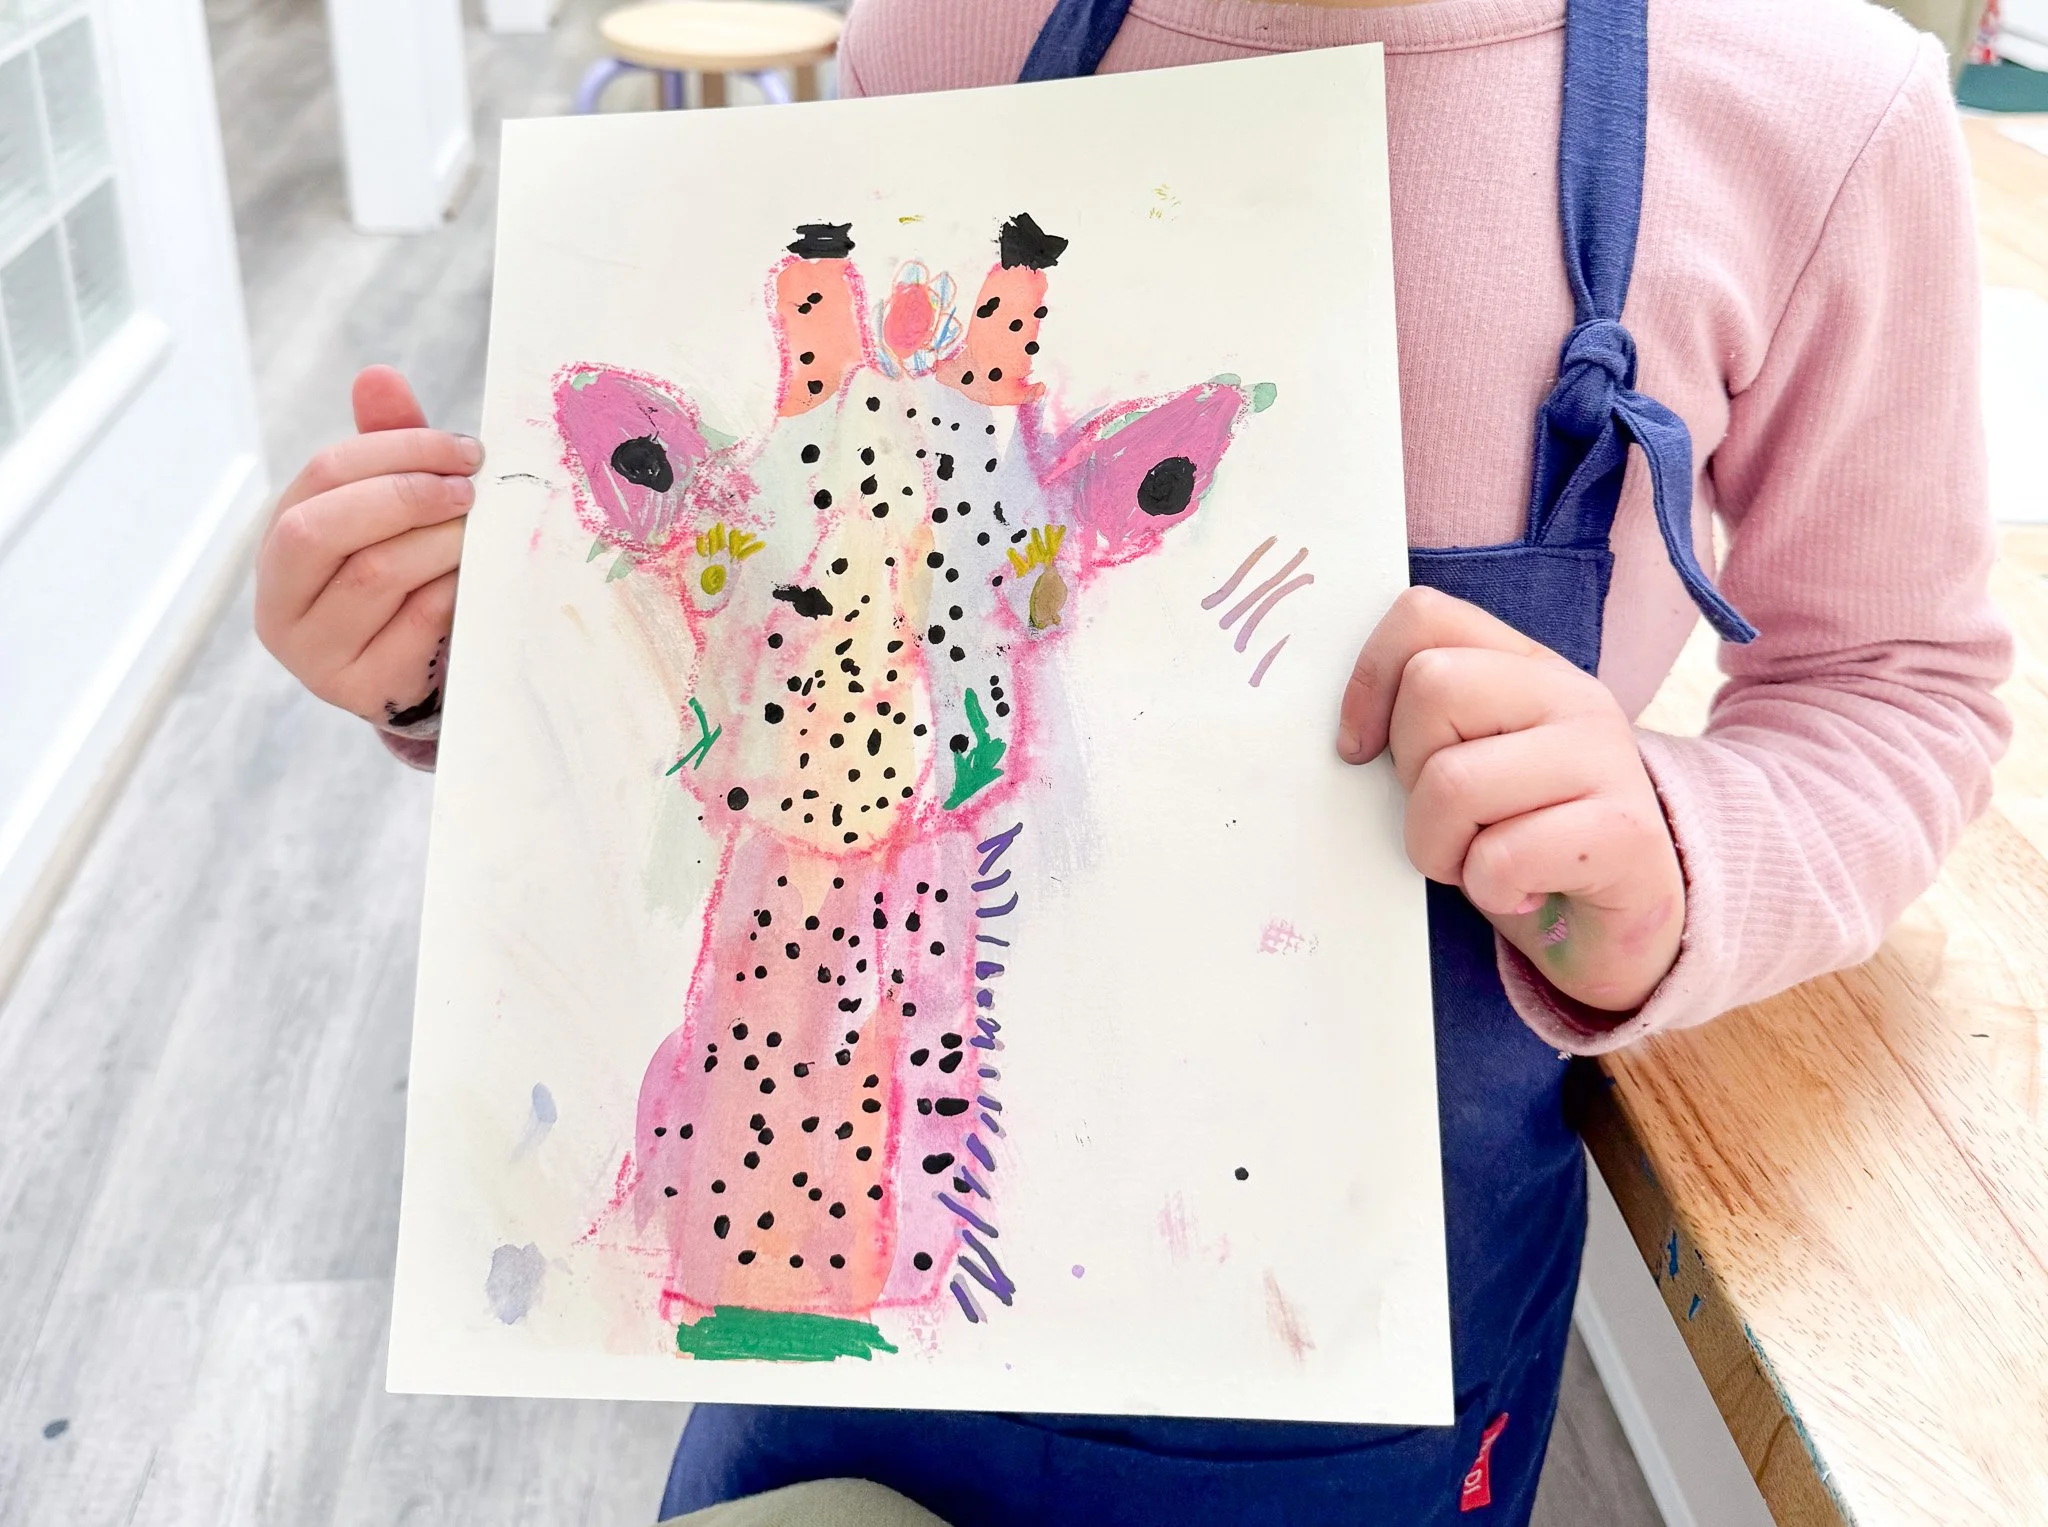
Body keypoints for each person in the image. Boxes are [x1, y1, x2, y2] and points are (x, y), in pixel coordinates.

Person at [253, 0, 2010, 1517]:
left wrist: (1682, 855)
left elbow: (1902, 680)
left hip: (1368, 1345)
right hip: (842, 1325)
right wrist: (455, 665)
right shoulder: (946, 37)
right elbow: (794, 617)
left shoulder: (1814, 111)